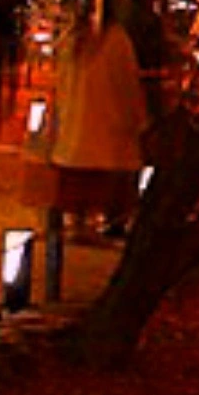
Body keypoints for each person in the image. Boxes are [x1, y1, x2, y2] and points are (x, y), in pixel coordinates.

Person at [48, 12, 148, 238]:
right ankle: (105, 221)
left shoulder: (69, 41)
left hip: (75, 136)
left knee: (80, 179)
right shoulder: (116, 41)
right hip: (108, 134)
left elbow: (61, 86)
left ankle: (78, 221)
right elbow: (127, 85)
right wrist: (138, 119)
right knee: (105, 179)